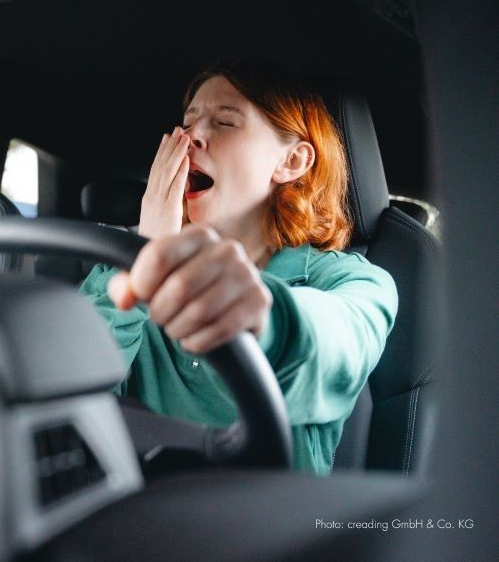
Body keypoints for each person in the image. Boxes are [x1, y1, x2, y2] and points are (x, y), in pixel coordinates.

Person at [79, 58, 398, 475]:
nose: (190, 138)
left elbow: (339, 344)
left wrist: (260, 316)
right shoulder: (120, 270)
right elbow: (70, 387)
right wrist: (143, 255)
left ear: (293, 161)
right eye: (187, 123)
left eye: (225, 122)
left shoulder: (355, 281)